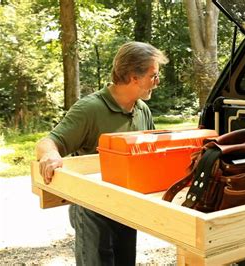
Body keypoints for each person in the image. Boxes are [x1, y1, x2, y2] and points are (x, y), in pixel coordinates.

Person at [35, 41, 169, 265]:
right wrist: (50, 154)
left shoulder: (141, 109)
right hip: (92, 209)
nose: (157, 82)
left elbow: (151, 152)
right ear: (134, 77)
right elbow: (48, 142)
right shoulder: (90, 108)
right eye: (153, 75)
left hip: (127, 202)